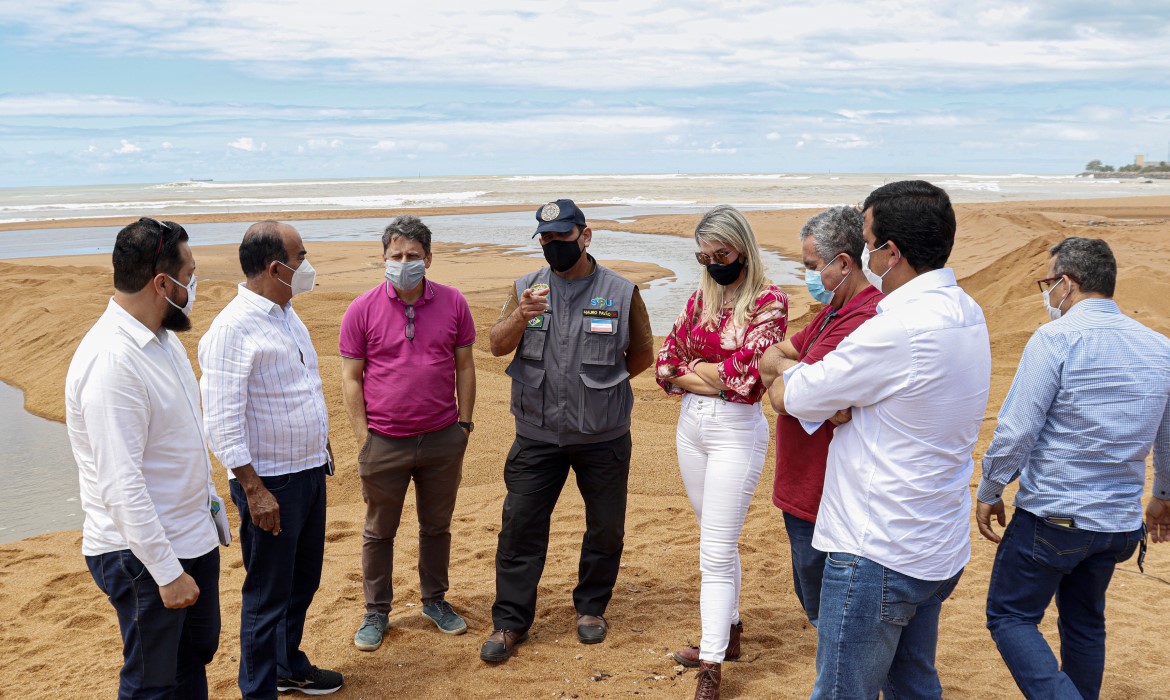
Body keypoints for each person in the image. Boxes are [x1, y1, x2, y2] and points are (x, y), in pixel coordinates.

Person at [768, 181, 991, 698]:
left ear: (891, 252)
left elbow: (790, 394)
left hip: (877, 549)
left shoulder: (896, 329)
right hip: (935, 542)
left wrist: (792, 374)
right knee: (913, 682)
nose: (867, 256)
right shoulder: (966, 311)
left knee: (843, 689)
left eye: (869, 244)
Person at [976, 237, 1170, 700]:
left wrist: (990, 487)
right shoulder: (1160, 347)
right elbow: (1167, 434)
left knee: (1010, 616)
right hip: (1117, 525)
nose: (1048, 293)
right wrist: (1162, 495)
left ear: (1067, 283)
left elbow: (1018, 428)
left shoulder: (1056, 337)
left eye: (1049, 282)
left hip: (1055, 518)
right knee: (1085, 622)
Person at [479, 198, 655, 664]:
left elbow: (641, 356)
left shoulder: (621, 291)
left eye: (563, 236)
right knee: (520, 528)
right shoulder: (526, 288)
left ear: (585, 235)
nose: (554, 245)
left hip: (603, 436)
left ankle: (591, 609)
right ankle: (511, 622)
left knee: (605, 527)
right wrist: (521, 314)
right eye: (546, 238)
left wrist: (598, 391)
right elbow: (496, 346)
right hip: (536, 434)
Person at [66, 217, 223, 699]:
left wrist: (210, 511)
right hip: (143, 554)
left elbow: (183, 439)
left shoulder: (164, 339)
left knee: (191, 661)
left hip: (189, 535)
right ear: (162, 282)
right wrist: (166, 572)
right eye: (190, 274)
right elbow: (120, 483)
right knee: (152, 682)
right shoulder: (113, 363)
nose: (194, 286)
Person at [198, 221, 342, 697]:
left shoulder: (284, 313)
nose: (307, 266)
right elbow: (221, 421)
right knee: (267, 594)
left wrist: (319, 444)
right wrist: (254, 489)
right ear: (275, 267)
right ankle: (258, 688)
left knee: (303, 580)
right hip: (271, 484)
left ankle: (287, 663)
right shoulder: (232, 329)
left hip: (307, 472)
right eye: (301, 257)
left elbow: (297, 387)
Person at [655, 205, 788, 699]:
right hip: (691, 428)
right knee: (715, 536)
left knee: (713, 548)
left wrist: (699, 370)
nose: (713, 263)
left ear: (743, 250)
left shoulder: (769, 300)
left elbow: (750, 375)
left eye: (722, 253)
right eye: (704, 255)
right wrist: (714, 373)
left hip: (737, 431)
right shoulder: (700, 297)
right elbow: (665, 364)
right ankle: (729, 632)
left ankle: (711, 665)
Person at [341, 214, 476, 652]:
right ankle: (376, 610)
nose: (404, 262)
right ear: (383, 258)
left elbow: (465, 366)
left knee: (436, 527)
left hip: (442, 437)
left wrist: (464, 424)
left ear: (429, 258)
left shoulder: (454, 302)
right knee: (379, 530)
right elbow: (352, 378)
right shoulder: (361, 309)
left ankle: (435, 600)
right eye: (396, 255)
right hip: (384, 440)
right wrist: (364, 436)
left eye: (413, 256)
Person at [758, 205, 881, 630]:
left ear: (844, 263)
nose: (810, 276)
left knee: (830, 611)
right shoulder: (831, 312)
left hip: (826, 495)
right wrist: (807, 382)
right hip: (800, 489)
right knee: (814, 601)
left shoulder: (866, 318)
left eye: (812, 266)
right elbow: (769, 360)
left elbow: (780, 397)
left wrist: (797, 385)